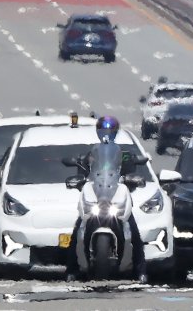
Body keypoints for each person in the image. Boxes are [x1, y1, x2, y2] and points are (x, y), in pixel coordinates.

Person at [65, 116, 147, 283]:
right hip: (97, 197)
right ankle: (72, 269)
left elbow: (132, 170)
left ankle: (141, 270)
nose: (106, 133)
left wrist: (132, 177)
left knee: (134, 231)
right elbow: (84, 172)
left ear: (116, 132)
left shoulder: (124, 155)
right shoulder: (90, 155)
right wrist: (79, 178)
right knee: (76, 229)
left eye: (109, 130)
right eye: (103, 129)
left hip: (115, 197)